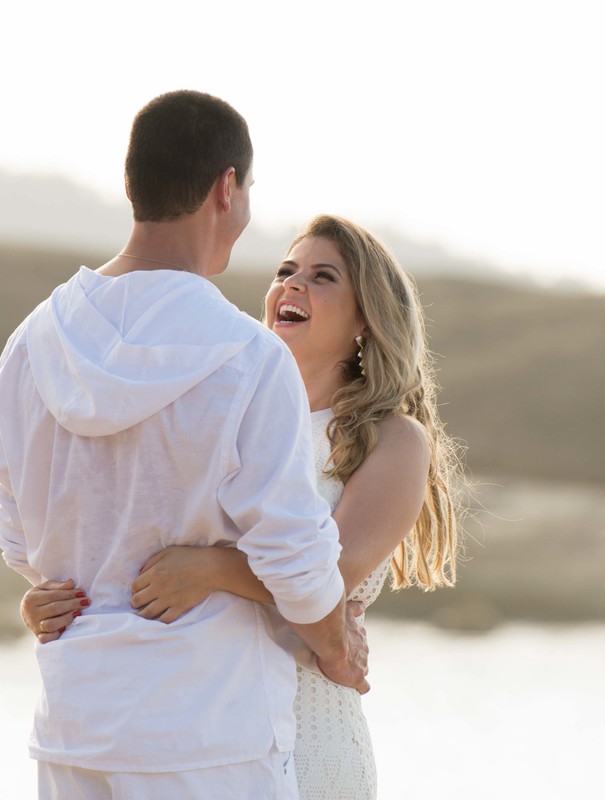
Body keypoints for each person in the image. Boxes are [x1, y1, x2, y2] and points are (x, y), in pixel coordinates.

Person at [0, 91, 367, 799]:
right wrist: (335, 650)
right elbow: (294, 553)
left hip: (73, 728)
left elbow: (17, 540)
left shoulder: (29, 345)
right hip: (208, 736)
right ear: (226, 188)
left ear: (133, 182)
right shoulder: (248, 356)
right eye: (249, 190)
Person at [22, 214, 463, 799]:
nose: (292, 285)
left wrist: (209, 570)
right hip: (193, 731)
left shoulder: (392, 440)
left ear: (366, 319)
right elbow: (138, 532)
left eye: (322, 276)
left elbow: (326, 578)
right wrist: (53, 597)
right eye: (286, 271)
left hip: (308, 736)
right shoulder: (219, 403)